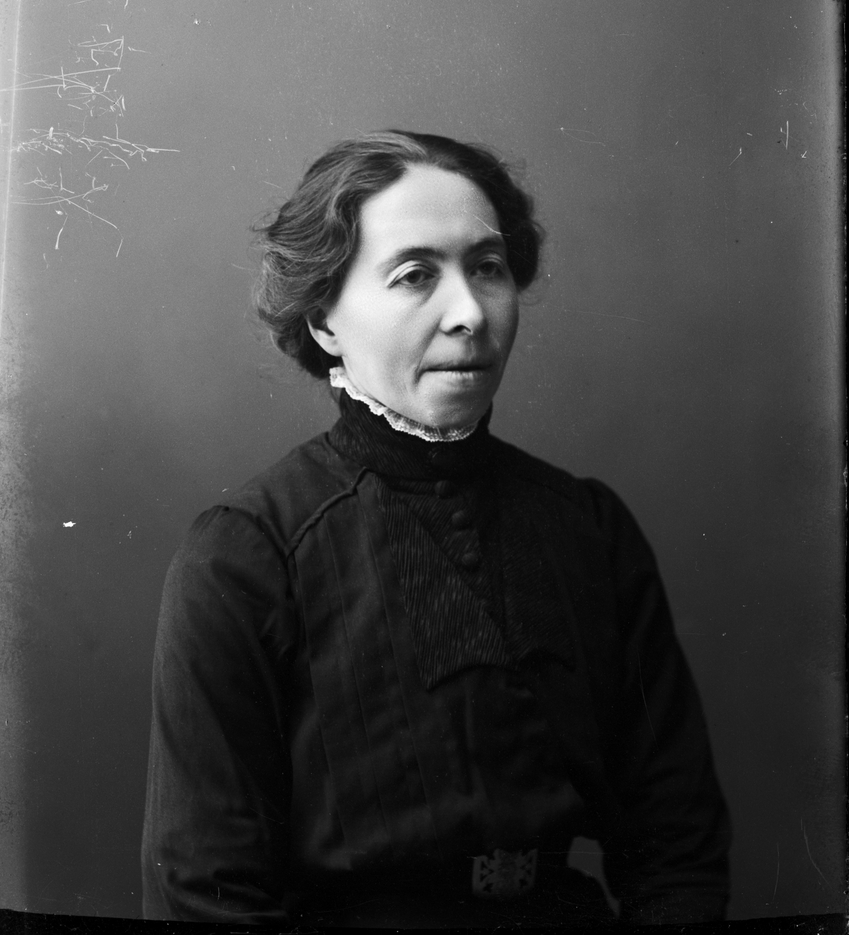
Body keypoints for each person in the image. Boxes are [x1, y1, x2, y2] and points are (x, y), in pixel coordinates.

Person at [141, 131, 730, 927]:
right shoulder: (247, 553)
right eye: (414, 275)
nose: (469, 314)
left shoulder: (588, 527)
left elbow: (678, 846)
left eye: (487, 267)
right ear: (323, 320)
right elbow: (206, 894)